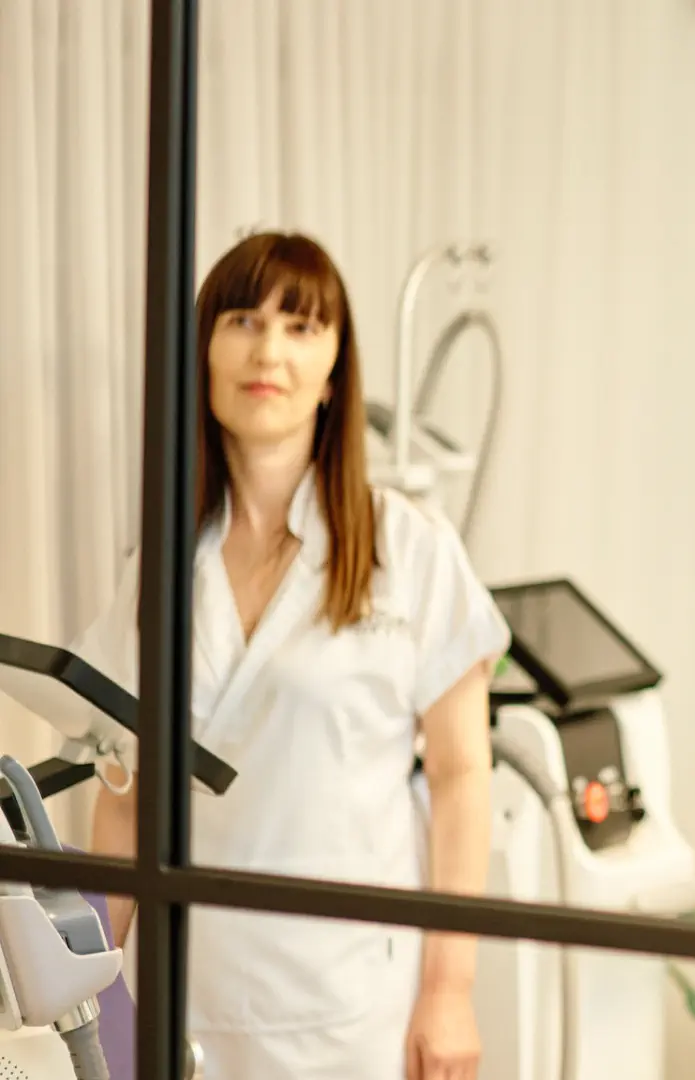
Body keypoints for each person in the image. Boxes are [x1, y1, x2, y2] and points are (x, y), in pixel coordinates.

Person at [80, 232, 509, 1080]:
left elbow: (462, 779)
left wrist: (450, 989)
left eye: (301, 326)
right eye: (243, 320)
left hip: (347, 1007)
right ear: (205, 352)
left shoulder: (409, 550)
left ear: (335, 369)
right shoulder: (161, 567)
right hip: (188, 991)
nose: (268, 351)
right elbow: (123, 798)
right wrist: (83, 988)